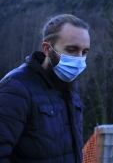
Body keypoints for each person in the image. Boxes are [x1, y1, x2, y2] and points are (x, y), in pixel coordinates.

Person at [0, 14, 91, 162]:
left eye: (84, 52)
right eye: (71, 50)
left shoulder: (70, 88)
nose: (79, 59)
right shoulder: (16, 88)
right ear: (47, 49)